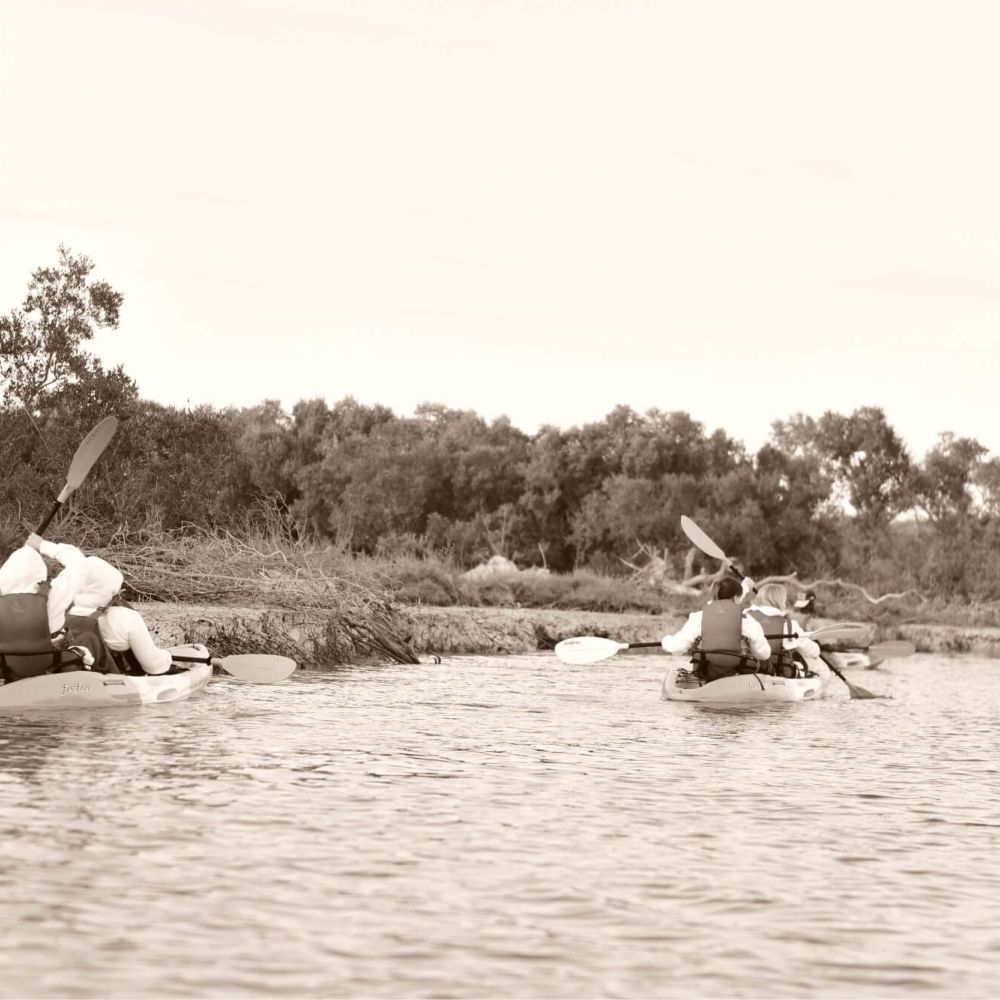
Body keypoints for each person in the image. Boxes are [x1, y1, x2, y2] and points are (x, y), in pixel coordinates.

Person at [63, 555, 207, 675]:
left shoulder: (60, 614)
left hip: (73, 681)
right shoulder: (124, 617)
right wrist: (167, 657)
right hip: (114, 685)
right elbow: (154, 666)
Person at [0, 533, 90, 681]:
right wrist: (42, 544)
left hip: (6, 670)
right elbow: (79, 563)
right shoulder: (55, 594)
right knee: (90, 640)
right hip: (51, 667)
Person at [661, 576, 772, 684]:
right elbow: (764, 654)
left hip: (706, 675)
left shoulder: (698, 617)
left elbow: (675, 648)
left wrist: (665, 640)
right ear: (737, 597)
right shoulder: (748, 620)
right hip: (738, 678)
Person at [746, 582, 821, 677]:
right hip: (775, 674)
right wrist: (817, 648)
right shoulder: (789, 625)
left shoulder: (745, 616)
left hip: (747, 669)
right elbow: (812, 651)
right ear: (781, 601)